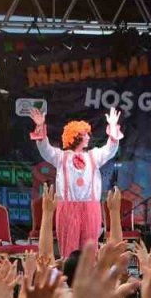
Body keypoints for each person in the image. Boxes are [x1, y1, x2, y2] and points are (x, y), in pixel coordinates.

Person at [28, 105, 123, 257]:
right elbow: (45, 149)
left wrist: (112, 127)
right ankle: (69, 276)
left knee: (90, 252)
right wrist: (40, 126)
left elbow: (110, 149)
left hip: (90, 207)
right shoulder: (61, 157)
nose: (89, 137)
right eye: (85, 134)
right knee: (68, 251)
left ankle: (89, 278)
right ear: (76, 136)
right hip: (67, 208)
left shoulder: (94, 155)